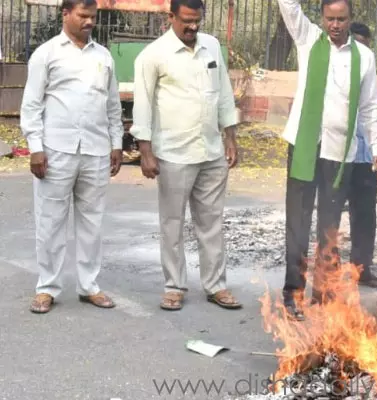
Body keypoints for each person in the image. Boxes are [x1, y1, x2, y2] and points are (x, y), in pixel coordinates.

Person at [276, 0, 377, 320]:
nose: (335, 25)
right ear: (322, 18)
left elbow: (369, 107)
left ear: (351, 18)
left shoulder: (364, 57)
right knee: (297, 224)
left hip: (341, 153)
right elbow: (288, 5)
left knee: (329, 226)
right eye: (330, 19)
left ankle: (323, 293)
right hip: (304, 146)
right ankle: (292, 292)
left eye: (341, 19)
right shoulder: (308, 39)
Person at [130, 0, 242, 311]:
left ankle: (216, 285)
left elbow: (223, 92)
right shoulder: (152, 56)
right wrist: (145, 152)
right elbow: (143, 106)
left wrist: (230, 137)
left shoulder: (211, 46)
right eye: (186, 21)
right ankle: (174, 286)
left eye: (197, 21)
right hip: (173, 154)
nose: (192, 27)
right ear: (171, 17)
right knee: (172, 222)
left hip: (210, 152)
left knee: (212, 222)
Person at [20, 0, 123, 313]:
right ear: (65, 14)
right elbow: (32, 105)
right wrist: (36, 147)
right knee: (50, 221)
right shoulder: (47, 53)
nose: (89, 21)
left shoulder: (103, 56)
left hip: (95, 151)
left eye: (93, 16)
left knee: (92, 222)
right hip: (56, 152)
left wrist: (116, 143)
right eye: (83, 15)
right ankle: (47, 288)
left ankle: (89, 286)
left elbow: (112, 104)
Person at [347, 21, 377, 289]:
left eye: (365, 46)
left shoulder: (369, 73)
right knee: (328, 216)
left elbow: (373, 113)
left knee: (365, 216)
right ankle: (325, 274)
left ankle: (362, 269)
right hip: (336, 158)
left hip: (365, 159)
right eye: (355, 46)